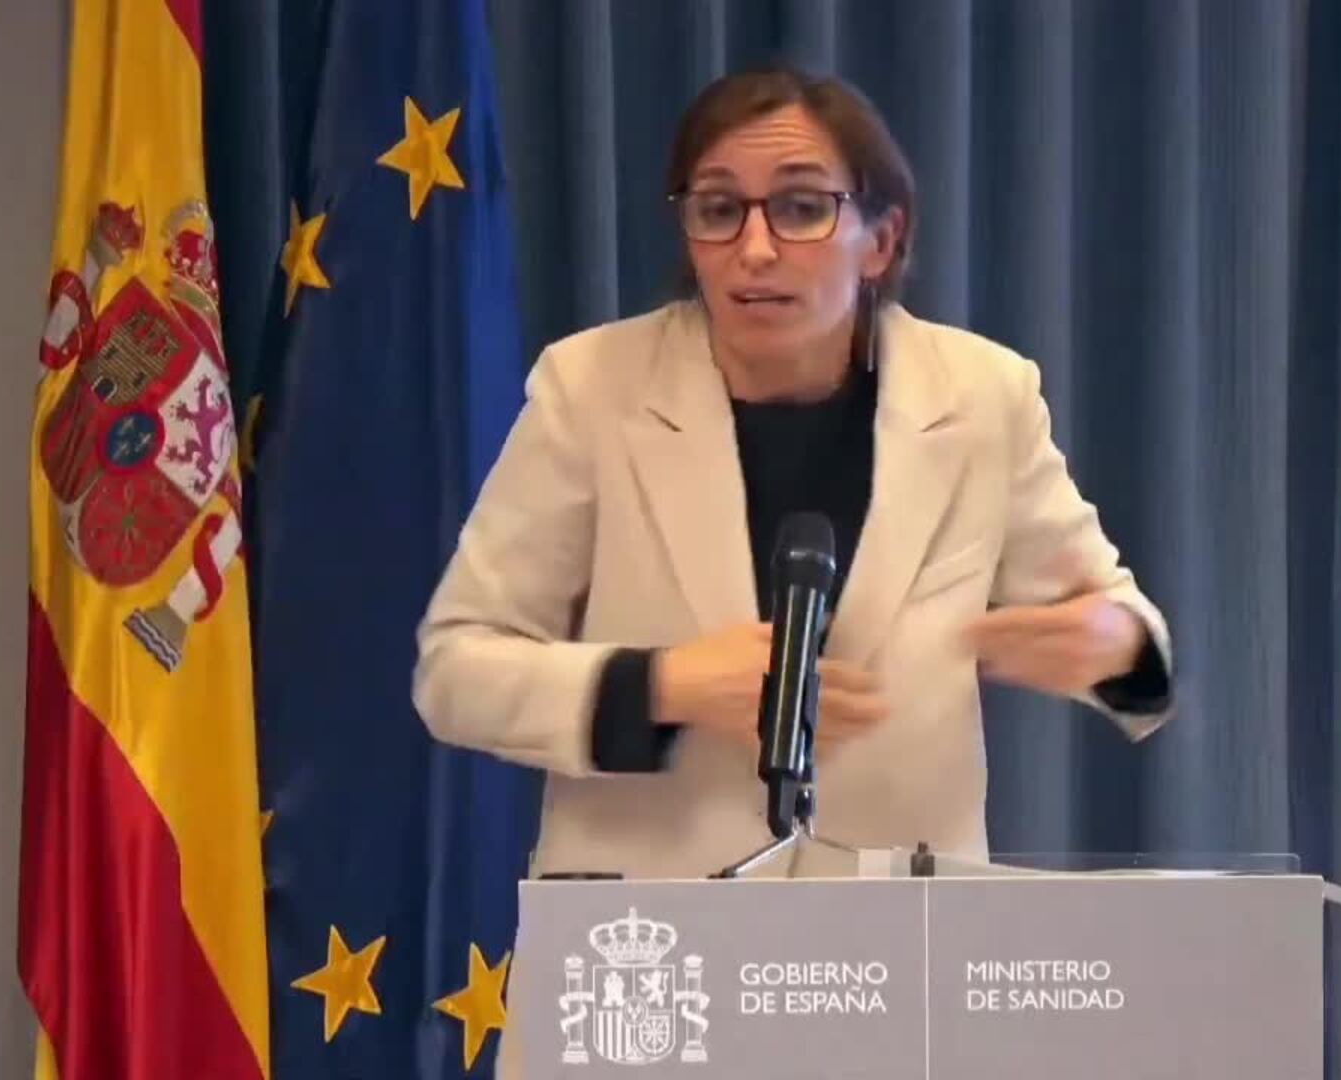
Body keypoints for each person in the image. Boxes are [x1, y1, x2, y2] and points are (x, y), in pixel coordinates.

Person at [412, 65, 1175, 880]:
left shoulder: (983, 397)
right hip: (651, 929)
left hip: (900, 927)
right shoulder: (591, 389)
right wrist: (661, 685)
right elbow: (456, 671)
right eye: (719, 210)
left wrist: (1116, 644)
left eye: (802, 208)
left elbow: (1120, 621)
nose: (755, 249)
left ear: (880, 240)